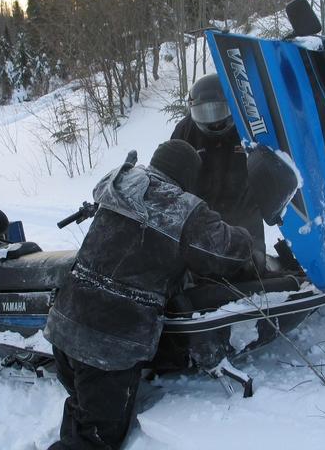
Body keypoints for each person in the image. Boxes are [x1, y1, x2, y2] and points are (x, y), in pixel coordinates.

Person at [44, 140, 253, 450]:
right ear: (189, 176)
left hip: (65, 325)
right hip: (107, 345)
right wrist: (246, 234)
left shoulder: (119, 181)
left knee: (82, 406)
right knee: (95, 440)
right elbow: (228, 252)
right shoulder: (183, 209)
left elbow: (106, 185)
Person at [172, 73, 267, 272]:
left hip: (246, 211)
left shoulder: (249, 126)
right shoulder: (185, 131)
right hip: (202, 216)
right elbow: (172, 170)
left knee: (252, 268)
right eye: (204, 113)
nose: (213, 121)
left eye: (218, 110)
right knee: (201, 272)